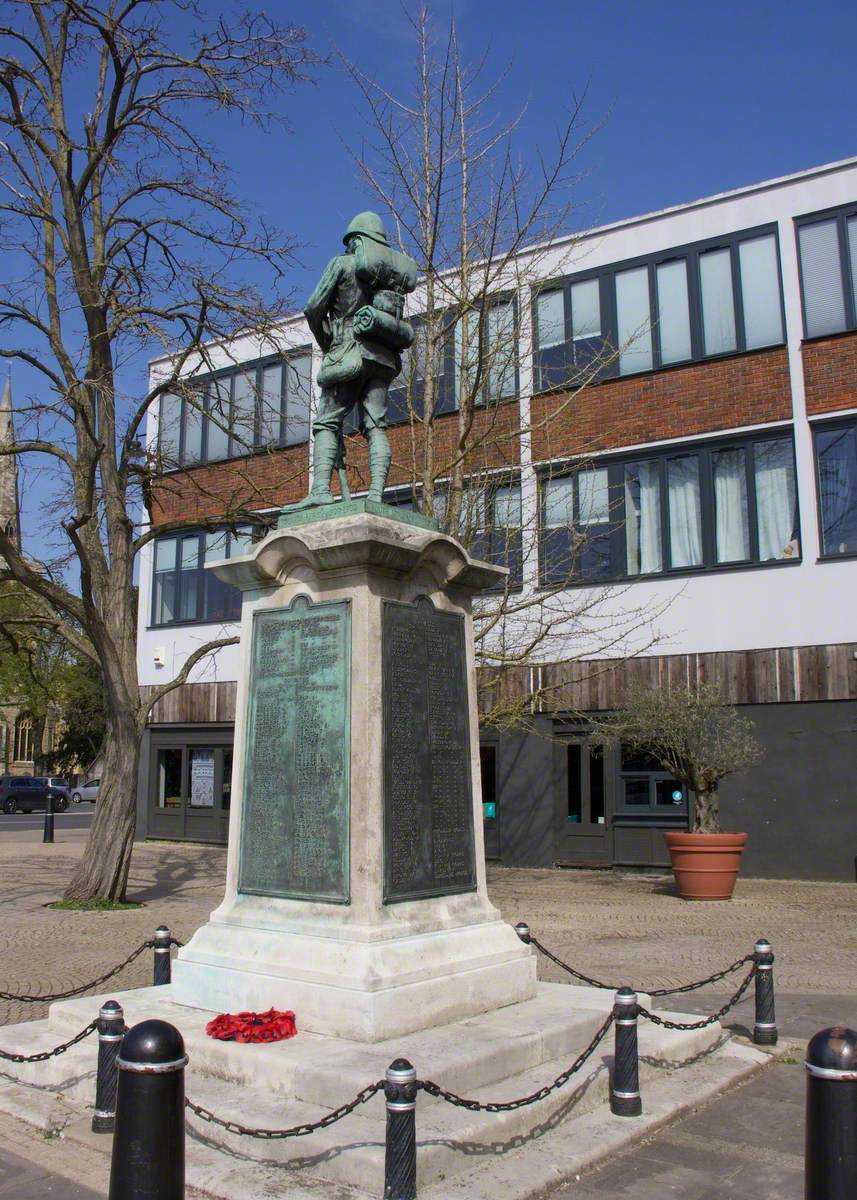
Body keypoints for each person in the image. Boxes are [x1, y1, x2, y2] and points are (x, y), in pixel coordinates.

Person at [286, 212, 417, 510]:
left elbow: (312, 308)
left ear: (355, 240)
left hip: (347, 353)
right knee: (376, 427)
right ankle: (375, 495)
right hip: (383, 359)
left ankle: (320, 490)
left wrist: (326, 342)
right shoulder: (389, 279)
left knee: (327, 423)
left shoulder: (341, 265)